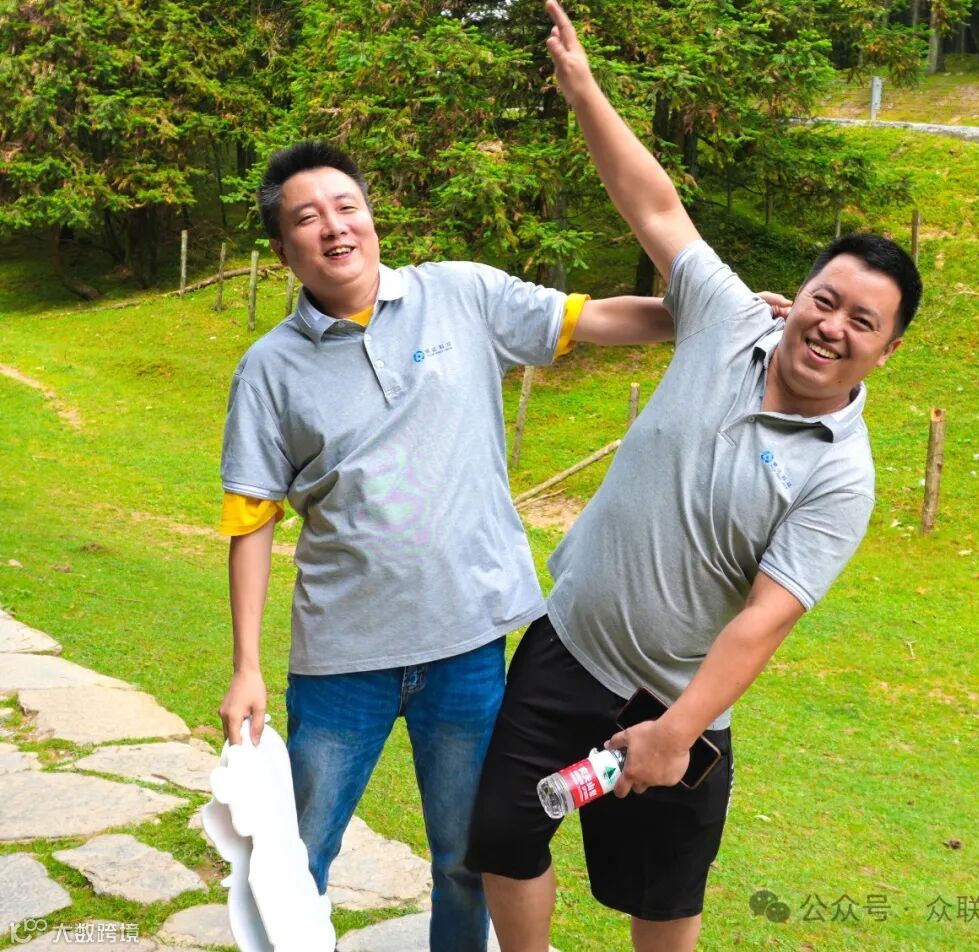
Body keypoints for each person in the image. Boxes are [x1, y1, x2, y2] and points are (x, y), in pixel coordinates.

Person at [216, 140, 790, 950]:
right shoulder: (268, 369)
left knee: (468, 859)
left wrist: (720, 319)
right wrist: (246, 666)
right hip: (342, 655)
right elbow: (251, 520)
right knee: (297, 855)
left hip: (469, 646)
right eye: (307, 218)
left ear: (372, 217)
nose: (334, 227)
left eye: (347, 207)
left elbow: (588, 319)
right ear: (283, 250)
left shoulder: (460, 293)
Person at [466, 0, 923, 952]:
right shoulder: (726, 318)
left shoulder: (843, 476)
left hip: (678, 700)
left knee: (663, 897)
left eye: (862, 322)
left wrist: (676, 733)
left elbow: (764, 620)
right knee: (505, 836)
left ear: (885, 353)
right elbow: (654, 204)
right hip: (566, 646)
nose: (831, 326)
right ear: (799, 295)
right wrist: (583, 89)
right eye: (825, 299)